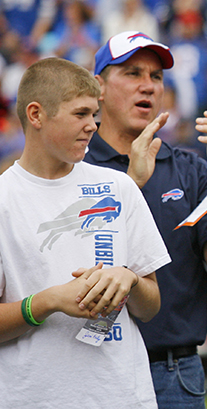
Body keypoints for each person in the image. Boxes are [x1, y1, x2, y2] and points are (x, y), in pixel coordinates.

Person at [84, 31, 207, 408]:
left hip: (174, 372)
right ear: (99, 87)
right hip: (91, 367)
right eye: (132, 73)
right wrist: (131, 184)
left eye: (156, 77)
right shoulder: (75, 167)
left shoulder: (190, 169)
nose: (147, 86)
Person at [0, 57, 170, 407]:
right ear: (36, 115)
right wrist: (47, 302)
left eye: (94, 114)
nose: (93, 125)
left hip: (121, 395)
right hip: (32, 397)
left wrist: (130, 280)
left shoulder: (119, 186)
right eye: (80, 114)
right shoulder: (5, 198)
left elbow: (151, 305)